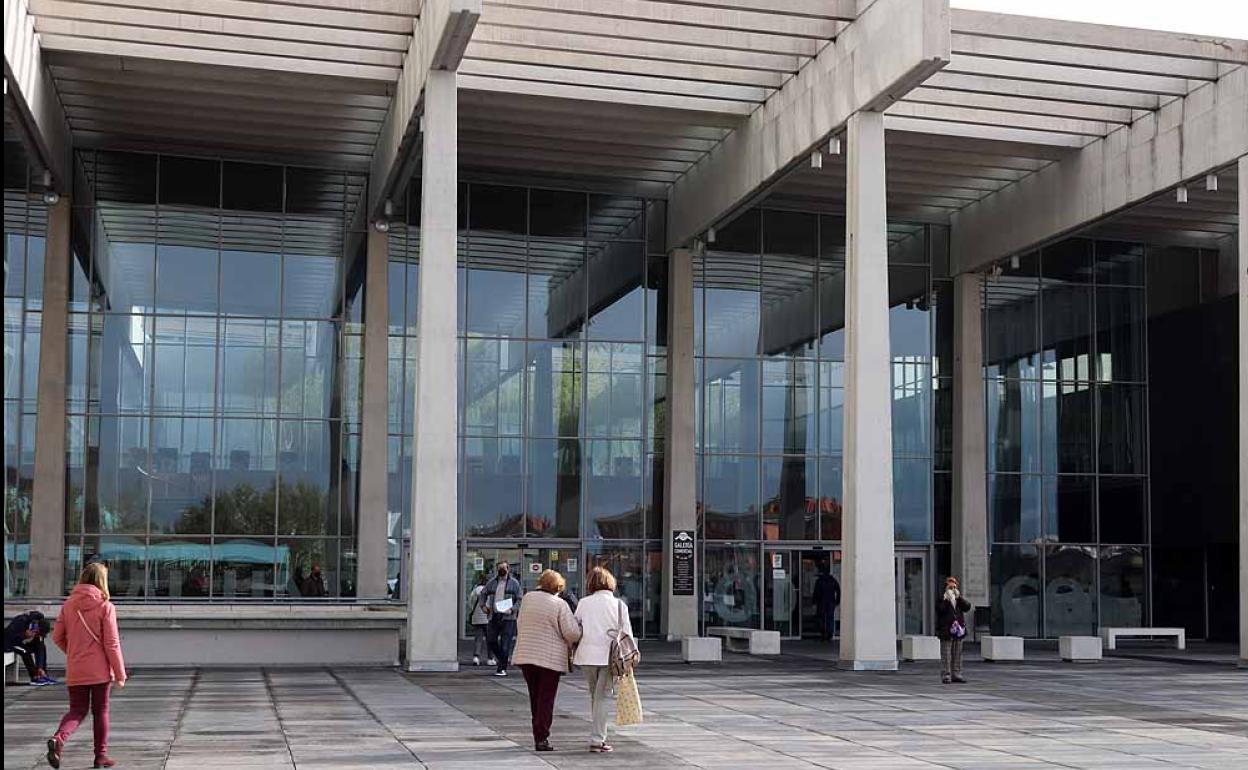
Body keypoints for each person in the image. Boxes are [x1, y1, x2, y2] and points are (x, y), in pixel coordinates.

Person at [47, 562, 127, 769]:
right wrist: (120, 674)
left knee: (76, 710)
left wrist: (73, 653)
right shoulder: (105, 606)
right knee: (100, 711)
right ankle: (100, 756)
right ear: (102, 581)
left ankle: (59, 738)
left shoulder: (68, 604)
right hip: (99, 670)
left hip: (75, 667)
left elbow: (56, 637)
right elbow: (111, 643)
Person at [511, 569, 582, 752]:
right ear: (558, 587)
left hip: (526, 655)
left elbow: (519, 623)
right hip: (549, 659)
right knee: (546, 699)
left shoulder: (527, 599)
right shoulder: (559, 604)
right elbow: (572, 633)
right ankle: (541, 737)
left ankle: (538, 733)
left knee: (535, 697)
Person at [573, 566, 636, 753]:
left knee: (595, 695)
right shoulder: (619, 605)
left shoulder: (583, 603)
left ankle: (597, 733)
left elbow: (576, 628)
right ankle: (597, 739)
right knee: (602, 696)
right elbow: (627, 634)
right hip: (611, 656)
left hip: (586, 655)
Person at [482, 561, 522, 676]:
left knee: (506, 642)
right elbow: (484, 593)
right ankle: (502, 658)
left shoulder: (514, 583)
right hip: (494, 615)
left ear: (508, 569)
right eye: (500, 568)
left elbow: (519, 598)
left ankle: (501, 668)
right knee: (491, 640)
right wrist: (483, 606)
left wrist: (513, 609)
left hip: (508, 616)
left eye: (504, 568)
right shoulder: (492, 583)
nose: (502, 570)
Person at [936, 575, 972, 684]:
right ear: (946, 587)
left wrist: (959, 597)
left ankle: (957, 674)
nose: (952, 589)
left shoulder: (958, 598)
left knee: (957, 653)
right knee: (946, 654)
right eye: (950, 586)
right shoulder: (942, 598)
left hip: (958, 630)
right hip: (946, 630)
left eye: (954, 586)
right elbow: (939, 610)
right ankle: (946, 675)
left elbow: (967, 607)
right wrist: (947, 600)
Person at [4, 610, 56, 685]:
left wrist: (40, 667)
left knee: (41, 646)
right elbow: (10, 637)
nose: (37, 635)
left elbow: (40, 648)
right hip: (10, 643)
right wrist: (24, 635)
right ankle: (34, 676)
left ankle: (42, 674)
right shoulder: (20, 621)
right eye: (37, 633)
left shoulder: (39, 622)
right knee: (25, 651)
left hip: (21, 642)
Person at [811, 565, 841, 642]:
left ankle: (823, 633)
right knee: (830, 618)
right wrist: (837, 601)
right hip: (831, 602)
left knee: (822, 618)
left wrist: (814, 602)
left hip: (822, 602)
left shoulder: (820, 581)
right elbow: (838, 590)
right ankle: (829, 633)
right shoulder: (832, 580)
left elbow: (816, 592)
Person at [466, 574, 490, 666]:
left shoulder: (476, 590)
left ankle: (476, 657)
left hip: (477, 617)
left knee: (478, 638)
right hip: (488, 617)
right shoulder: (490, 590)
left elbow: (470, 602)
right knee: (490, 639)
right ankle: (490, 658)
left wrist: (473, 610)